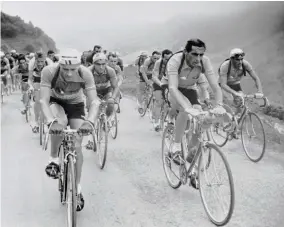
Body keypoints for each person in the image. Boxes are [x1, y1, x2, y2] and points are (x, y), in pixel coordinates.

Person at [40, 49, 100, 212]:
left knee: (77, 144)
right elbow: (43, 100)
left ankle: (77, 188)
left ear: (78, 66)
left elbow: (94, 101)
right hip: (55, 100)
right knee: (60, 122)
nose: (68, 73)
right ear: (60, 66)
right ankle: (54, 159)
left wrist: (90, 121)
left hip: (76, 103)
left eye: (72, 70)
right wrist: (51, 122)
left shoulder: (86, 73)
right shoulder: (49, 71)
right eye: (65, 69)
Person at [166, 39, 226, 189]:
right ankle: (176, 145)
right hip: (174, 89)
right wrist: (187, 107)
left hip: (190, 89)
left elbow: (215, 87)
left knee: (200, 118)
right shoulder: (175, 61)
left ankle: (191, 160)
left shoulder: (204, 61)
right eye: (194, 54)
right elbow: (173, 88)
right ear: (186, 52)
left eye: (201, 54)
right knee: (185, 112)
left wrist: (219, 106)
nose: (198, 58)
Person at [219, 48, 264, 116]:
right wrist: (235, 93)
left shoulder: (245, 64)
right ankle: (226, 118)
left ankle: (237, 121)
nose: (240, 62)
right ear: (231, 59)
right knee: (230, 100)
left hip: (235, 84)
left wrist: (260, 91)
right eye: (237, 59)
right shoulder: (225, 66)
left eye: (241, 59)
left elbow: (255, 78)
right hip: (224, 85)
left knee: (240, 102)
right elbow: (223, 84)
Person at [88, 53, 119, 119]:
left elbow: (115, 87)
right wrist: (93, 98)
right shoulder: (88, 71)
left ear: (106, 63)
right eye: (98, 64)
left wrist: (113, 98)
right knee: (90, 109)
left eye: (103, 64)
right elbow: (84, 89)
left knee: (110, 104)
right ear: (93, 64)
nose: (101, 67)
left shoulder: (110, 71)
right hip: (93, 91)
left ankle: (108, 119)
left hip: (107, 90)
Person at [152, 49, 173, 131]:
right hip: (158, 84)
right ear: (162, 58)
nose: (168, 61)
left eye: (170, 58)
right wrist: (161, 84)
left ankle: (168, 121)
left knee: (170, 104)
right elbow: (154, 76)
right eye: (166, 59)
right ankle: (156, 123)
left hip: (169, 84)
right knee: (159, 102)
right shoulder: (158, 63)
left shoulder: (174, 63)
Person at [28, 52, 48, 132]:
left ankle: (47, 120)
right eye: (38, 61)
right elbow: (30, 79)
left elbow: (54, 78)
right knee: (37, 101)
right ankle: (36, 121)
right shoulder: (31, 63)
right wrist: (31, 87)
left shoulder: (49, 63)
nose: (40, 64)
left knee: (47, 101)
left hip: (46, 80)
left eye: (42, 61)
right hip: (37, 79)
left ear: (44, 60)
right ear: (35, 60)